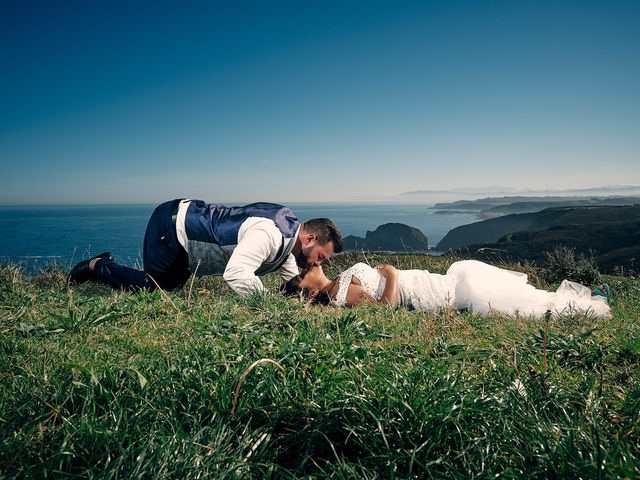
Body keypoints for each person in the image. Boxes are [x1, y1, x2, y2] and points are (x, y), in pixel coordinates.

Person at [69, 199, 343, 295]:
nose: (318, 264)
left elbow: (291, 279)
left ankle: (103, 264)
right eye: (320, 257)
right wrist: (266, 305)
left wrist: (318, 295)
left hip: (187, 234)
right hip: (172, 225)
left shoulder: (289, 239)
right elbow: (236, 272)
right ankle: (98, 266)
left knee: (170, 288)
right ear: (309, 240)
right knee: (154, 288)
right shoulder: (269, 235)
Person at [284, 260, 611, 318]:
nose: (304, 270)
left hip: (428, 281)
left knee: (519, 296)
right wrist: (394, 276)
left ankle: (582, 299)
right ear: (311, 293)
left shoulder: (339, 281)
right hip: (426, 293)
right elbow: (381, 309)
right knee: (514, 302)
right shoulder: (337, 294)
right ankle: (586, 305)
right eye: (300, 278)